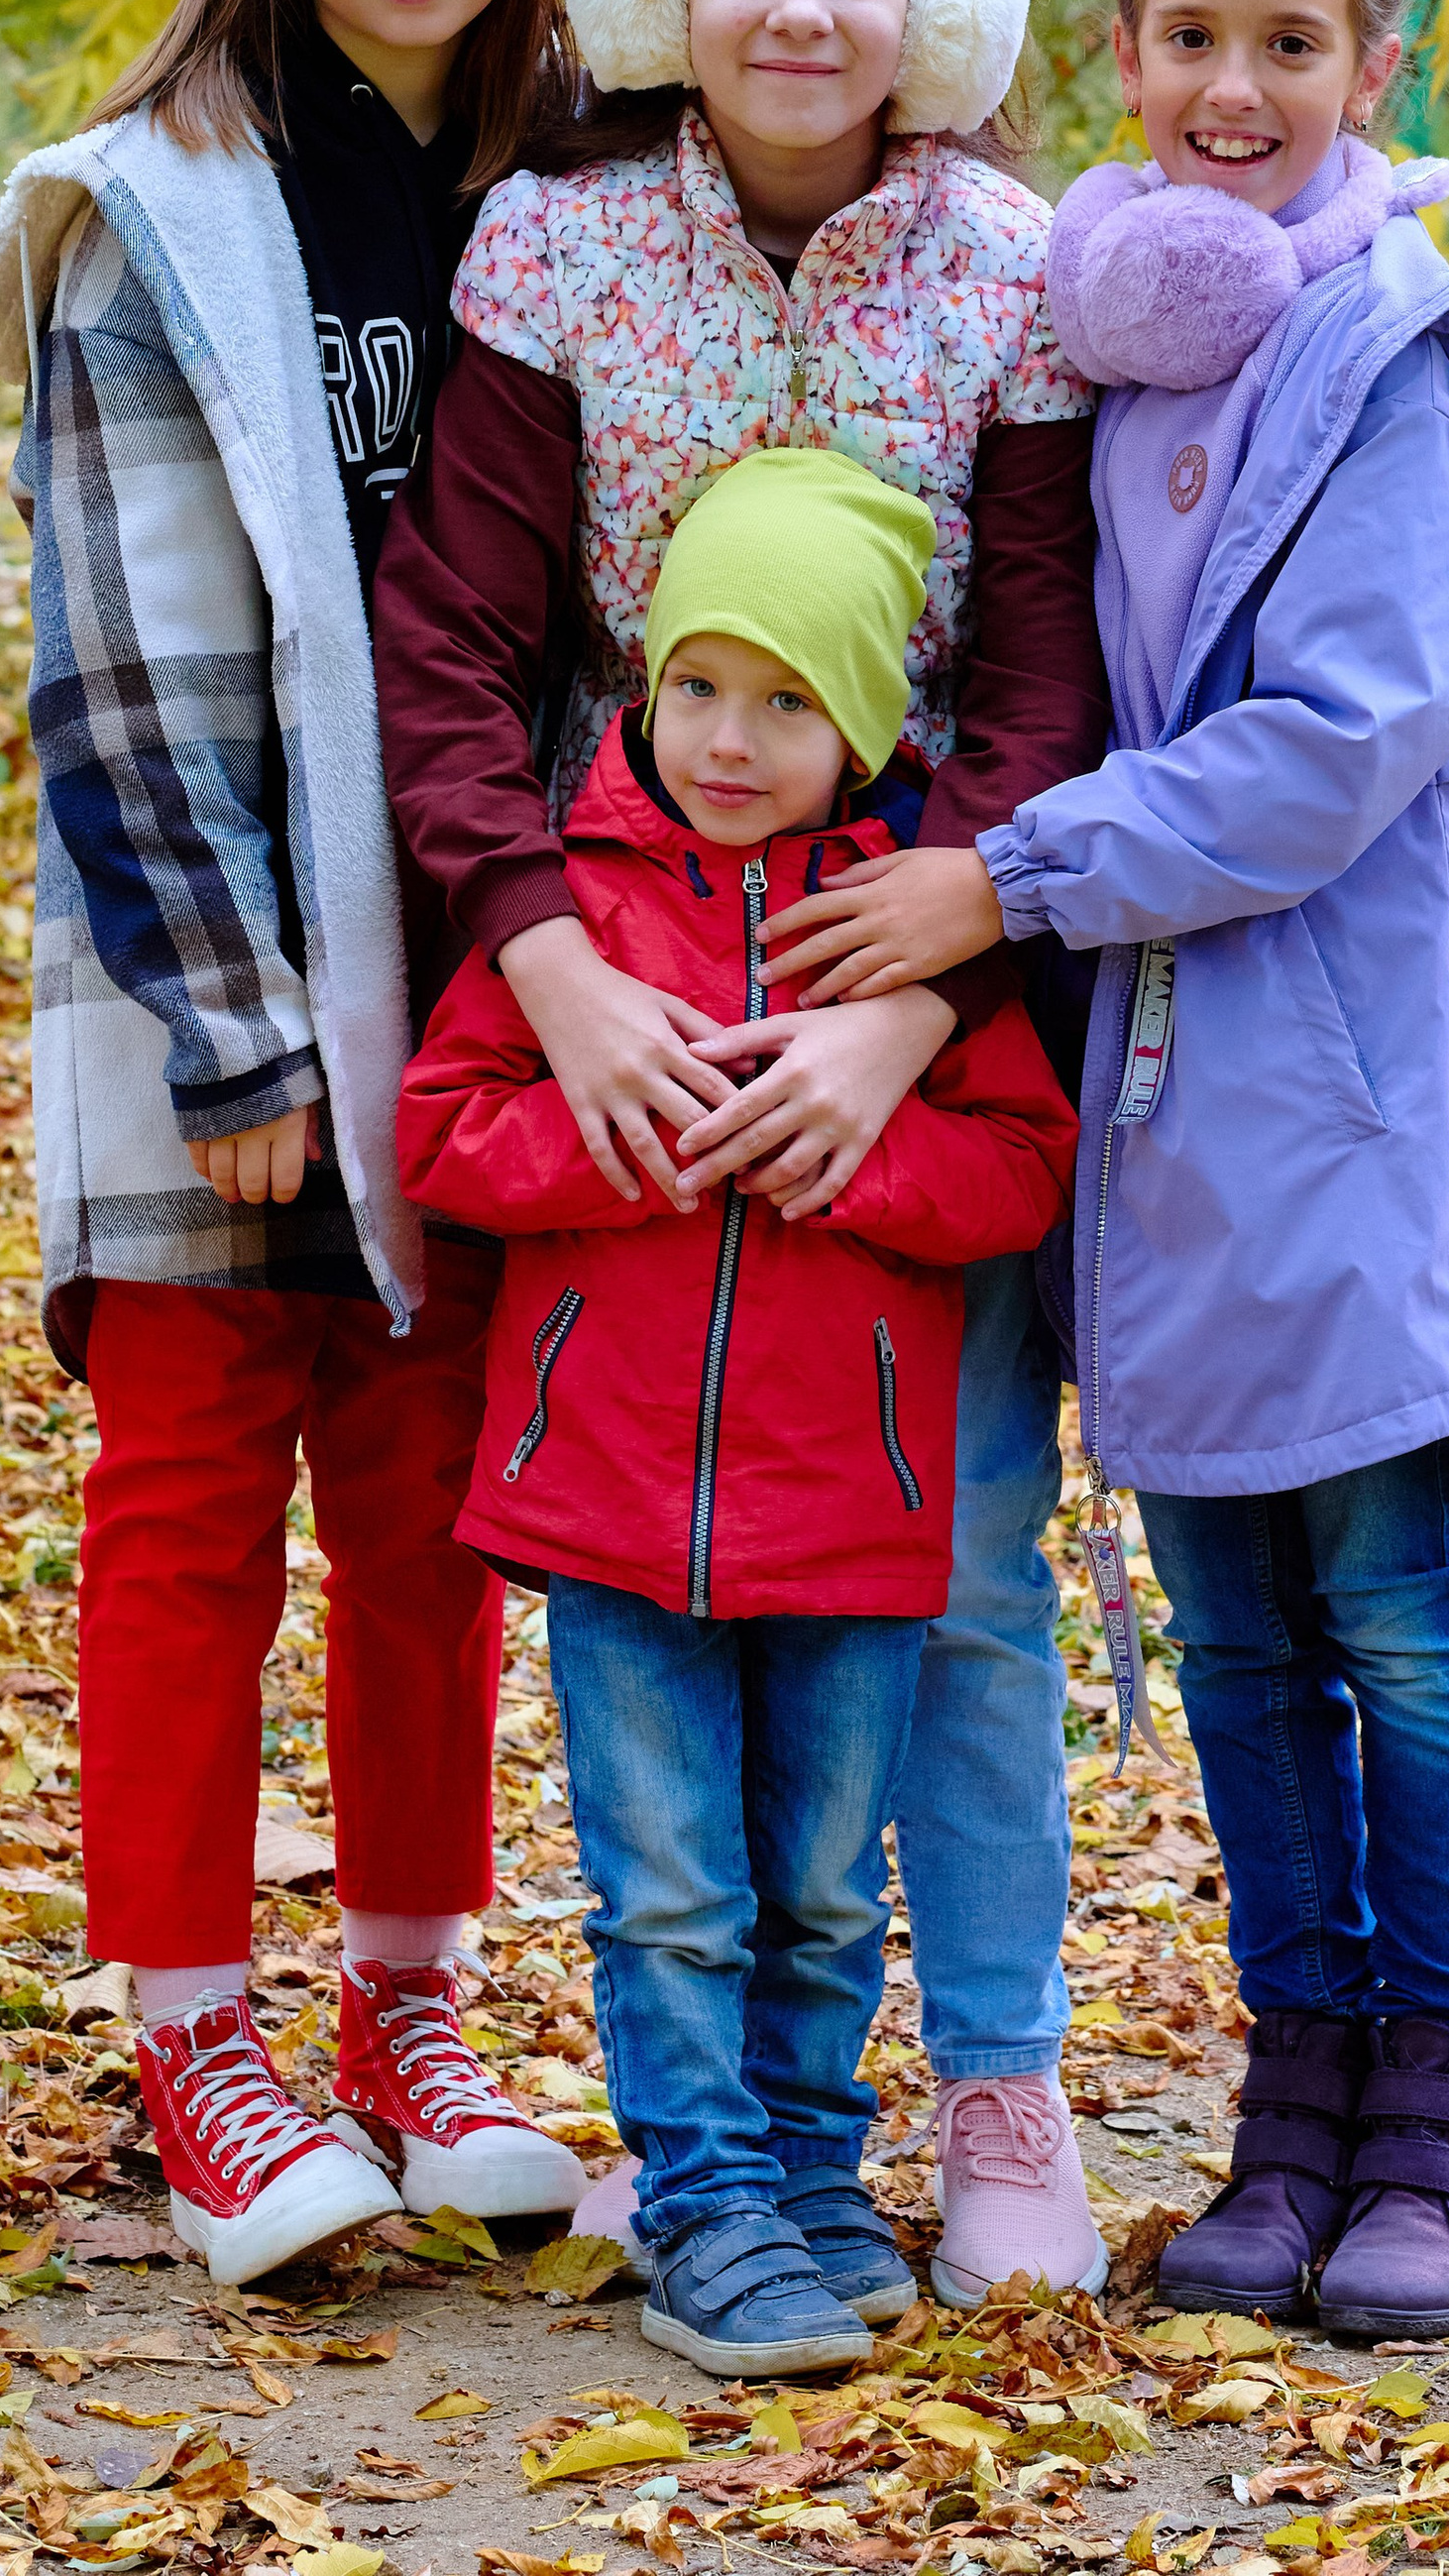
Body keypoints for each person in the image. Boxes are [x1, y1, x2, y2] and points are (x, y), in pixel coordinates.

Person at [376, 0, 1117, 2303]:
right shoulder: (555, 256)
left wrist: (929, 991)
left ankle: (995, 2078)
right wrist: (549, 966)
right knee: (649, 1565)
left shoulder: (1021, 263)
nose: (799, 7)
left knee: (969, 1569)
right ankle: (711, 2137)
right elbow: (458, 652)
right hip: (622, 953)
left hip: (928, 952)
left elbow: (1039, 662)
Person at [0, 0, 596, 2284]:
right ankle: (194, 2027)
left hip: (488, 968)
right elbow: (109, 657)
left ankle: (408, 2009)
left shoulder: (571, 193)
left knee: (433, 1515)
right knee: (195, 1498)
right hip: (208, 960)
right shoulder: (151, 206)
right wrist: (232, 1018)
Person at [936, 0, 1449, 2340]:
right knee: (1221, 1622)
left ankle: (1447, 2114)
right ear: (1120, 52)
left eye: (1283, 44)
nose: (1227, 84)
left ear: (1365, 66)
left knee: (1393, 1604)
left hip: (1347, 1077)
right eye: (1186, 36)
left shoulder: (1383, 370)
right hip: (1158, 1102)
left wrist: (1019, 874)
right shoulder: (1130, 345)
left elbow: (1346, 737)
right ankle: (1292, 2107)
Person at [396, 451, 1081, 2371]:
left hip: (852, 1507)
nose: (727, 735)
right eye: (696, 683)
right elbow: (446, 1133)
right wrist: (630, 1143)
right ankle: (701, 2206)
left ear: (862, 722)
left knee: (813, 1881)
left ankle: (800, 2177)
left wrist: (848, 1158)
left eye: (787, 700)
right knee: (674, 1884)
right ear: (642, 677)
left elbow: (1014, 1165)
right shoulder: (575, 912)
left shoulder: (896, 929)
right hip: (611, 1505)